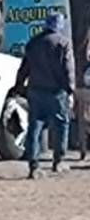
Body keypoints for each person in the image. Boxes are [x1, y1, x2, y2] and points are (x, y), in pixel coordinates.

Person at [14, 13, 77, 178]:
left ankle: (33, 165)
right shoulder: (63, 43)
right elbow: (68, 68)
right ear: (60, 25)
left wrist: (19, 85)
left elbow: (24, 67)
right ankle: (59, 161)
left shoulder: (33, 42)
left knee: (34, 126)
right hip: (57, 92)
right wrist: (70, 90)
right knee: (62, 124)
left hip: (35, 90)